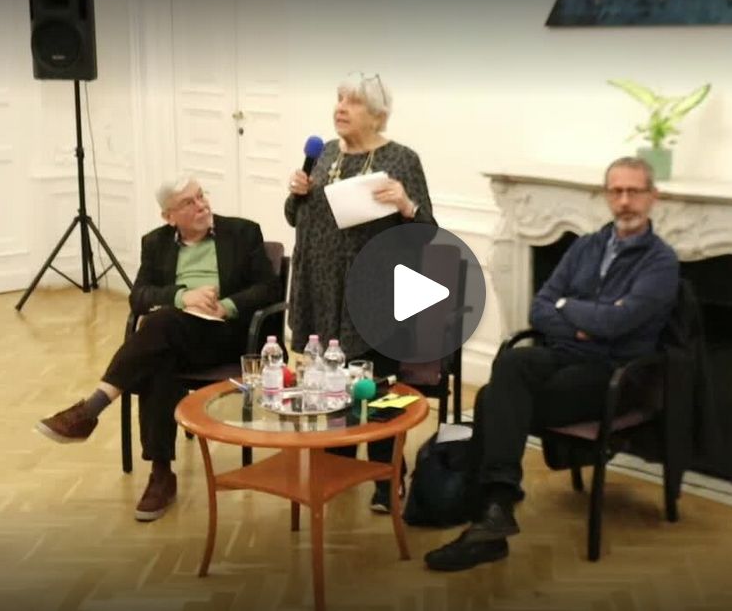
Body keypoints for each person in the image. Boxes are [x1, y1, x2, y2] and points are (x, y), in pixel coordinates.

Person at [423, 157, 680, 572]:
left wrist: (569, 309)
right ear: (607, 196)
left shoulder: (661, 262)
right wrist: (585, 320)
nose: (625, 201)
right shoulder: (586, 246)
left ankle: (489, 512)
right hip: (565, 355)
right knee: (512, 364)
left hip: (613, 373)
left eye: (634, 191)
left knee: (492, 400)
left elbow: (618, 324)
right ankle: (494, 510)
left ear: (653, 197)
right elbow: (541, 307)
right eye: (616, 191)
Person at [37, 176, 282, 522]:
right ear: (169, 217)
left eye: (201, 196)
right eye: (188, 203)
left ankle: (95, 409)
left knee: (157, 327)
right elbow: (139, 296)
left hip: (226, 336)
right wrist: (183, 297)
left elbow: (268, 288)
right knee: (159, 357)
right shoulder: (155, 243)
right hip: (175, 335)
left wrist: (225, 306)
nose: (201, 205)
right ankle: (161, 472)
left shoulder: (243, 232)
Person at [285, 72, 436, 513]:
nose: (340, 108)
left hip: (375, 292)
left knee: (376, 389)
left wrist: (406, 204)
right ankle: (340, 466)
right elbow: (296, 217)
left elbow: (426, 232)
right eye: (339, 99)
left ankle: (388, 479)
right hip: (321, 287)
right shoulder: (324, 154)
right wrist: (297, 193)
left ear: (378, 115)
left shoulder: (401, 159)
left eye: (352, 102)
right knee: (331, 384)